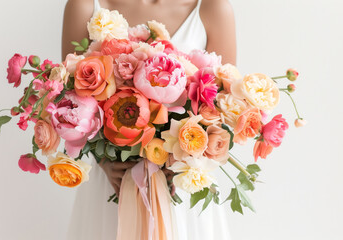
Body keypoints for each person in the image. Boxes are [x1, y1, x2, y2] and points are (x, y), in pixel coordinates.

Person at [62, 0, 236, 239]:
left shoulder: (212, 7)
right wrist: (104, 161)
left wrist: (182, 161)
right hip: (114, 180)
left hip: (182, 183)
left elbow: (224, 107)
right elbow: (70, 101)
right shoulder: (83, 5)